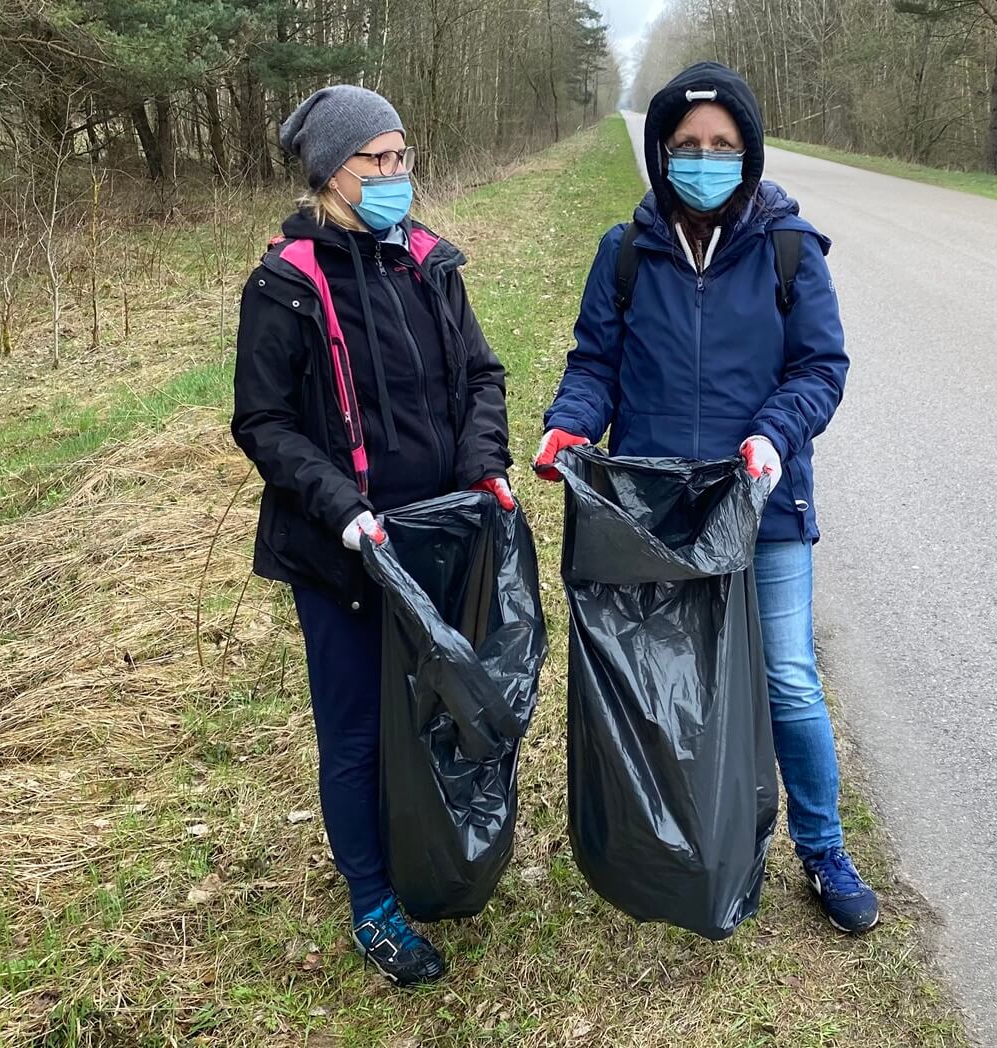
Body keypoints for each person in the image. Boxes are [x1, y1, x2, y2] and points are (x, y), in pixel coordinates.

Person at [534, 63, 878, 933]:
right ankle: (678, 839)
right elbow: (595, 365)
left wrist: (771, 437)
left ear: (748, 153)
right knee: (665, 681)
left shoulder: (789, 250)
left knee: (787, 679)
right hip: (658, 518)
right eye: (687, 145)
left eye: (722, 145)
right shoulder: (625, 252)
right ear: (662, 153)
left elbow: (820, 369)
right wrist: (569, 426)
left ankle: (823, 849)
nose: (704, 159)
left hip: (762, 505)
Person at [231, 85, 515, 986]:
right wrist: (341, 508)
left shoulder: (428, 264)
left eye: (402, 156)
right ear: (331, 172)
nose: (398, 174)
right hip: (343, 552)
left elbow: (482, 375)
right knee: (355, 731)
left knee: (432, 711)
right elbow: (264, 422)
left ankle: (423, 846)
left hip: (438, 540)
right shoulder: (286, 285)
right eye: (378, 160)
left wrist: (483, 465)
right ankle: (372, 901)